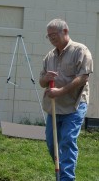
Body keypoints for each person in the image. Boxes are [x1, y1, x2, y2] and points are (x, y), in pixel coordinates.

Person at [39, 19, 93, 181]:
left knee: (68, 140)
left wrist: (61, 91)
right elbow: (42, 82)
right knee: (52, 144)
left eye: (54, 34)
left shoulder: (80, 50)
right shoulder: (49, 56)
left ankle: (66, 178)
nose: (51, 38)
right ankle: (61, 172)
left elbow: (83, 77)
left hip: (75, 104)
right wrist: (45, 78)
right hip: (54, 106)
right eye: (48, 36)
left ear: (65, 32)